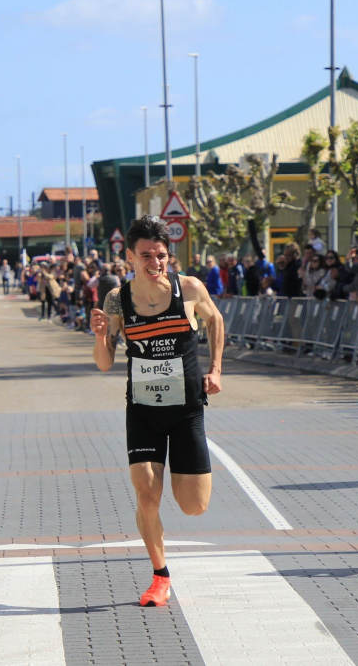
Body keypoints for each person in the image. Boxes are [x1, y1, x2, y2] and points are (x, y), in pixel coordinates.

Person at [90, 215, 224, 607]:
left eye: (162, 255)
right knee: (147, 493)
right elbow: (103, 362)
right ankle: (159, 575)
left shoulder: (190, 289)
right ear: (129, 256)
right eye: (146, 255)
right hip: (143, 410)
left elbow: (215, 321)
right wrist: (100, 337)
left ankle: (163, 557)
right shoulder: (118, 299)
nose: (156, 262)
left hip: (186, 410)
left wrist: (215, 369)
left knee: (193, 505)